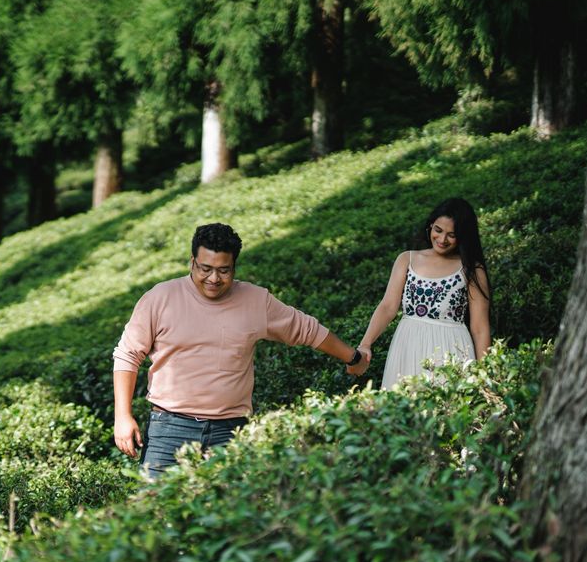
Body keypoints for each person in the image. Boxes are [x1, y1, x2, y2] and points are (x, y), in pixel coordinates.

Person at [112, 223, 369, 478]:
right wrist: (122, 416)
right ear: (192, 262)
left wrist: (353, 357)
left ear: (235, 267)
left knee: (229, 515)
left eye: (224, 271)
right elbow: (128, 355)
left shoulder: (257, 300)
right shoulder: (160, 298)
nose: (214, 279)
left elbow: (307, 329)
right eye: (206, 269)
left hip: (231, 431)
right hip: (170, 428)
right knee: (157, 512)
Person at [359, 197, 492, 390]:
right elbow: (388, 307)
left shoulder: (471, 269)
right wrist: (365, 344)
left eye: (451, 235)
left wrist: (484, 376)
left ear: (463, 236)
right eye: (438, 230)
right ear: (430, 226)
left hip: (451, 349)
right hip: (407, 345)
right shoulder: (407, 259)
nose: (442, 239)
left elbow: (480, 327)